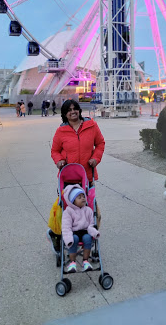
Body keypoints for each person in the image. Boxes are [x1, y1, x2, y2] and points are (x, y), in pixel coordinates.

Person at [47, 99, 105, 253]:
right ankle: (57, 236)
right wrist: (59, 161)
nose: (73, 112)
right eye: (69, 110)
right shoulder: (61, 131)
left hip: (87, 177)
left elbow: (100, 144)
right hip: (67, 179)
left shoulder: (91, 126)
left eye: (75, 109)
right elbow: (55, 151)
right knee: (65, 213)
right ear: (65, 114)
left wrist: (96, 159)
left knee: (90, 210)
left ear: (79, 110)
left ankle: (88, 240)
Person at [61, 184, 100, 273]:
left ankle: (85, 261)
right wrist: (68, 237)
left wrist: (94, 231)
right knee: (74, 239)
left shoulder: (88, 210)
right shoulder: (68, 211)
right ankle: (72, 262)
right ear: (72, 201)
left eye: (83, 196)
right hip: (74, 232)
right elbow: (66, 226)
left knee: (87, 238)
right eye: (79, 197)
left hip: (85, 231)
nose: (83, 198)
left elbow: (91, 224)